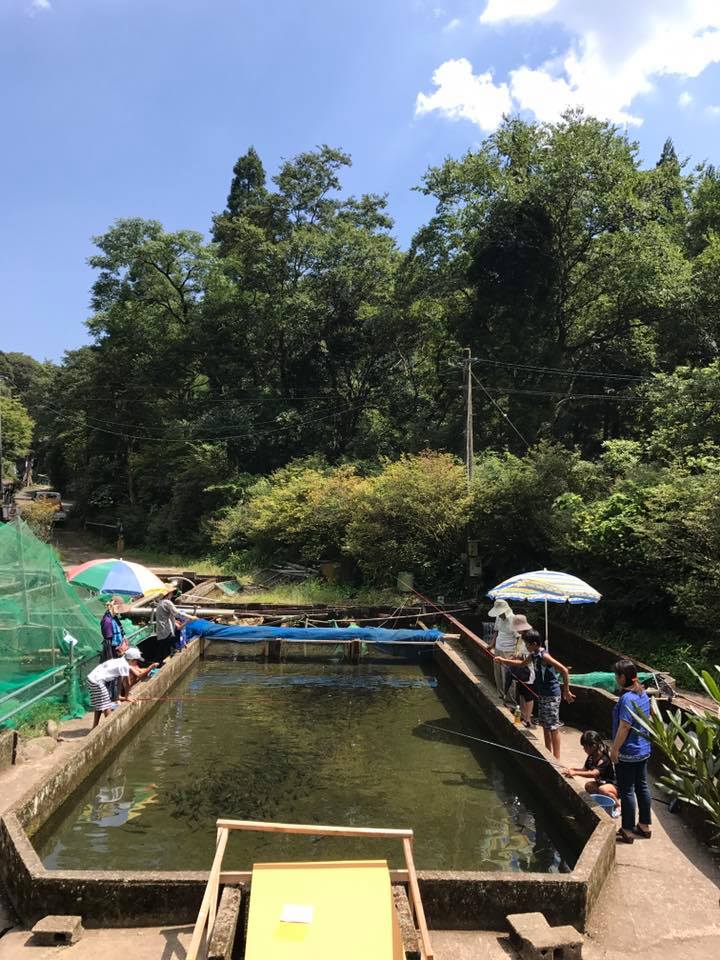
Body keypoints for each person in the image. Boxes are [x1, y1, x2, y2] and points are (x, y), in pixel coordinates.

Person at [496, 629, 575, 759]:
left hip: (552, 694)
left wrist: (566, 690)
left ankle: (557, 758)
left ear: (534, 644)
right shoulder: (533, 655)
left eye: (527, 644)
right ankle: (548, 754)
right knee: (545, 724)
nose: (526, 646)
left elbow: (564, 670)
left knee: (553, 726)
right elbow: (521, 664)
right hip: (543, 694)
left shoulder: (544, 656)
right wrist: (503, 660)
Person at [610, 659, 652, 844]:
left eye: (616, 675)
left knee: (627, 790)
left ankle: (627, 829)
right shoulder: (642, 693)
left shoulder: (627, 698)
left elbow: (624, 727)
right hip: (643, 749)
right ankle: (644, 825)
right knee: (642, 787)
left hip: (629, 751)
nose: (615, 678)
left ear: (622, 677)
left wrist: (615, 750)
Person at [86, 647, 158, 729]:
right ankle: (111, 728)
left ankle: (95, 726)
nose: (136, 662)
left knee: (100, 703)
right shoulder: (124, 665)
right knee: (107, 706)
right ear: (131, 660)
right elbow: (126, 684)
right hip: (97, 682)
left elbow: (122, 681)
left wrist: (120, 696)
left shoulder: (121, 660)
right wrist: (127, 697)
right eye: (136, 660)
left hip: (92, 678)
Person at [563, 730, 619, 815]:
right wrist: (573, 769)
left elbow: (593, 773)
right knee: (588, 786)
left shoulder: (604, 759)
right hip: (601, 783)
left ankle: (617, 805)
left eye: (585, 747)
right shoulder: (591, 757)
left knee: (602, 789)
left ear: (593, 746)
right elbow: (585, 770)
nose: (584, 749)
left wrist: (575, 773)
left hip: (613, 786)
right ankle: (601, 802)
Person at [504, 614, 536, 726]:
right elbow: (519, 652)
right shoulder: (522, 637)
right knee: (522, 693)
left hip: (528, 670)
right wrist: (514, 656)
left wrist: (512, 660)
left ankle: (528, 719)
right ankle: (522, 715)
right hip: (521, 669)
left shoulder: (531, 637)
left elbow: (528, 657)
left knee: (528, 695)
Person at [153, 588, 198, 661]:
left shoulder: (161, 602)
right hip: (166, 631)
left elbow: (172, 615)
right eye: (172, 593)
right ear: (169, 593)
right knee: (164, 651)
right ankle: (159, 665)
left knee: (162, 650)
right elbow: (177, 613)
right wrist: (191, 617)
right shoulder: (167, 602)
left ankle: (157, 664)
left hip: (161, 631)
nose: (172, 594)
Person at [487, 599, 517, 701]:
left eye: (500, 613)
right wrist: (492, 644)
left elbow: (519, 638)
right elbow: (496, 631)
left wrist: (516, 653)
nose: (499, 615)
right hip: (498, 649)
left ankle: (510, 700)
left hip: (509, 651)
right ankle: (500, 694)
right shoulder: (498, 618)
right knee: (498, 673)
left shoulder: (514, 620)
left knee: (507, 676)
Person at [99, 596, 126, 700]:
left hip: (118, 650)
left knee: (118, 674)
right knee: (111, 674)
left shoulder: (114, 618)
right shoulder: (107, 620)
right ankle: (110, 697)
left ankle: (116, 695)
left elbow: (120, 633)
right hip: (111, 650)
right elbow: (108, 640)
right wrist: (112, 655)